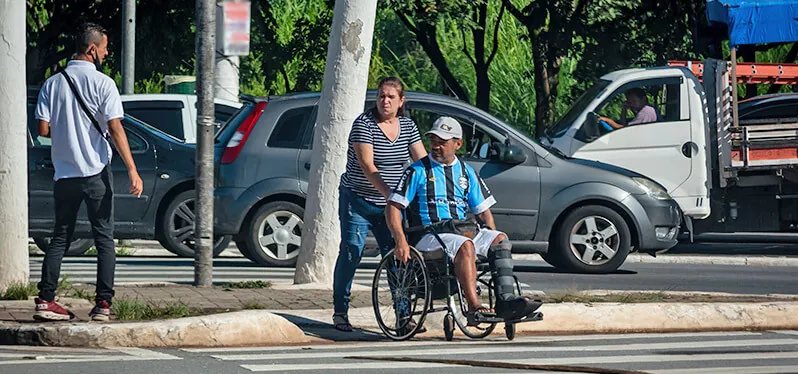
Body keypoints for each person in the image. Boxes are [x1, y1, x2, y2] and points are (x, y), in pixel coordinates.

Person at [33, 23, 143, 322]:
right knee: (104, 238)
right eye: (105, 48)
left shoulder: (53, 83)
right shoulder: (104, 84)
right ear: (92, 49)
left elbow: (42, 129)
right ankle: (103, 305)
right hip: (95, 173)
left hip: (64, 175)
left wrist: (68, 133)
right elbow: (115, 128)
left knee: (60, 238)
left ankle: (45, 300)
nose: (107, 53)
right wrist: (132, 169)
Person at [385, 116, 541, 325]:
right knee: (465, 245)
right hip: (429, 234)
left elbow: (483, 212)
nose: (437, 146)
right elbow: (393, 207)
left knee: (500, 239)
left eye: (443, 142)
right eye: (434, 141)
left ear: (458, 144)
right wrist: (400, 241)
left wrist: (491, 241)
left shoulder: (467, 172)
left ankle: (506, 301)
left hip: (461, 230)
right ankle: (473, 307)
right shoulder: (417, 171)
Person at [332, 77, 427, 331]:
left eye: (391, 97)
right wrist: (391, 195)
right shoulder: (364, 125)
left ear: (401, 101)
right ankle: (340, 311)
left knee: (398, 254)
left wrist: (434, 182)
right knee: (352, 250)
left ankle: (403, 317)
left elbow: (422, 162)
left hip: (390, 206)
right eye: (381, 96)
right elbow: (367, 166)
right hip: (359, 199)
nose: (385, 101)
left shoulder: (407, 126)